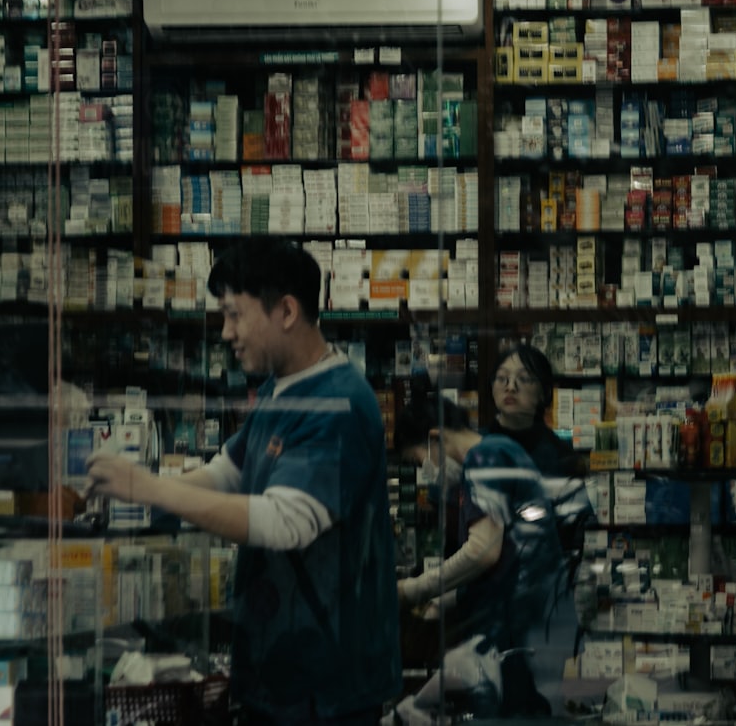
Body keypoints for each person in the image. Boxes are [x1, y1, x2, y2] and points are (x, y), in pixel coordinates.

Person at [87, 239, 401, 725]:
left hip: (325, 687)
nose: (226, 332)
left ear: (287, 311)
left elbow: (283, 522)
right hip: (276, 668)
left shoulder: (339, 404)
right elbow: (228, 472)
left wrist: (149, 489)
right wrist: (130, 490)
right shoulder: (280, 388)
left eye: (235, 315)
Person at [392, 395, 562, 719]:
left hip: (517, 620)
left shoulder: (484, 458)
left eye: (418, 461)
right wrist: (446, 600)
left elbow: (483, 551)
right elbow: (503, 556)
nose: (425, 472)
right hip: (527, 615)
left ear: (435, 438)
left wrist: (414, 590)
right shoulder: (497, 451)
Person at [485, 343, 581, 478]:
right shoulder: (476, 445)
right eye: (501, 378)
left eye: (524, 379)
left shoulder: (560, 455)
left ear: (544, 391)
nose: (511, 387)